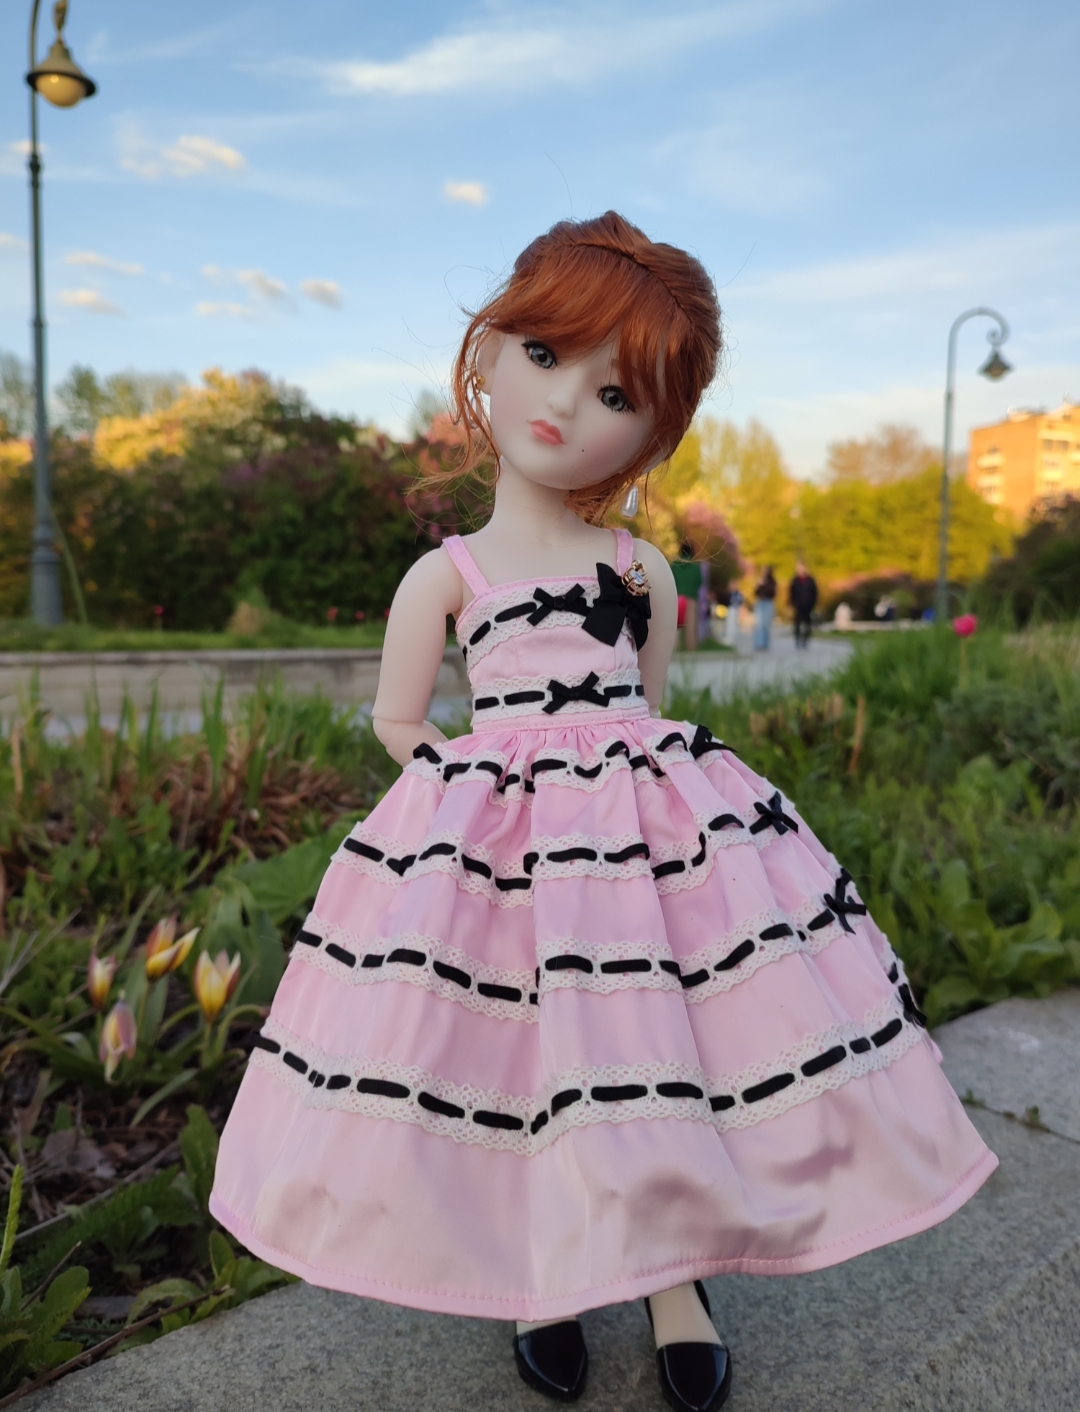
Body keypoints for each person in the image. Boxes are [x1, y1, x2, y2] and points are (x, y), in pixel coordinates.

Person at [211, 212, 996, 1412]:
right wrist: (462, 796)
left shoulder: (639, 569)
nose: (567, 403)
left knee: (656, 1051)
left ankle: (674, 1281)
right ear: (488, 350)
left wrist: (635, 796)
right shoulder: (447, 574)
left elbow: (651, 707)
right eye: (543, 353)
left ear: (654, 428)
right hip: (504, 848)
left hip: (639, 847)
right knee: (523, 1053)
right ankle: (546, 1273)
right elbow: (398, 719)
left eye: (617, 392)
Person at [671, 541, 703, 651]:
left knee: (676, 625)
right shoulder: (695, 566)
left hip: (677, 597)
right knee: (691, 625)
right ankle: (691, 648)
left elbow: (671, 579)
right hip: (691, 597)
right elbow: (699, 581)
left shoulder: (675, 564)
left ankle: (674, 647)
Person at [788, 562, 818, 649]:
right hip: (798, 605)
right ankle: (797, 639)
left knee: (807, 623)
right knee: (797, 623)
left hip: (808, 605)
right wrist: (792, 603)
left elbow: (815, 593)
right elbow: (791, 593)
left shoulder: (810, 581)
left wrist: (813, 603)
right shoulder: (795, 580)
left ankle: (805, 640)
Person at [753, 565, 777, 650]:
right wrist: (759, 585)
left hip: (768, 602)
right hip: (760, 602)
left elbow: (772, 593)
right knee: (759, 624)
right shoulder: (760, 580)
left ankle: (765, 644)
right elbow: (756, 592)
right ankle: (759, 643)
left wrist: (765, 585)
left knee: (766, 624)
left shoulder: (772, 581)